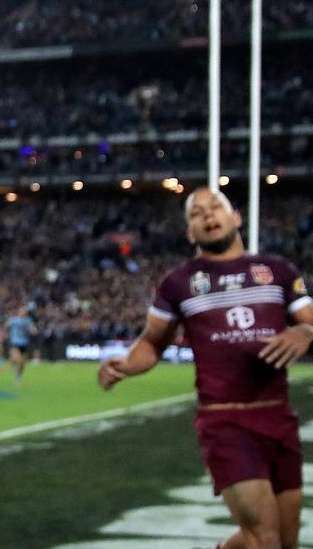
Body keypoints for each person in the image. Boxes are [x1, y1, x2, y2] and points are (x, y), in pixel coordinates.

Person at [99, 188, 312, 549]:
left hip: (279, 418)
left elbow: (308, 322)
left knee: (286, 541)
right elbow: (153, 341)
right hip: (225, 422)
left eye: (216, 207)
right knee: (264, 539)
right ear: (190, 233)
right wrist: (127, 365)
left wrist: (304, 331)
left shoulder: (277, 271)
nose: (208, 215)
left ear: (236, 218)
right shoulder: (179, 283)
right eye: (197, 213)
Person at [7, 305, 36, 387]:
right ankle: (17, 380)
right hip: (15, 343)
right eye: (22, 311)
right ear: (19, 312)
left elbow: (33, 329)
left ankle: (18, 376)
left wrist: (33, 330)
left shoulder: (28, 321)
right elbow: (6, 327)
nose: (24, 312)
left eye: (25, 311)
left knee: (22, 363)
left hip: (25, 344)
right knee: (18, 360)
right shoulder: (13, 320)